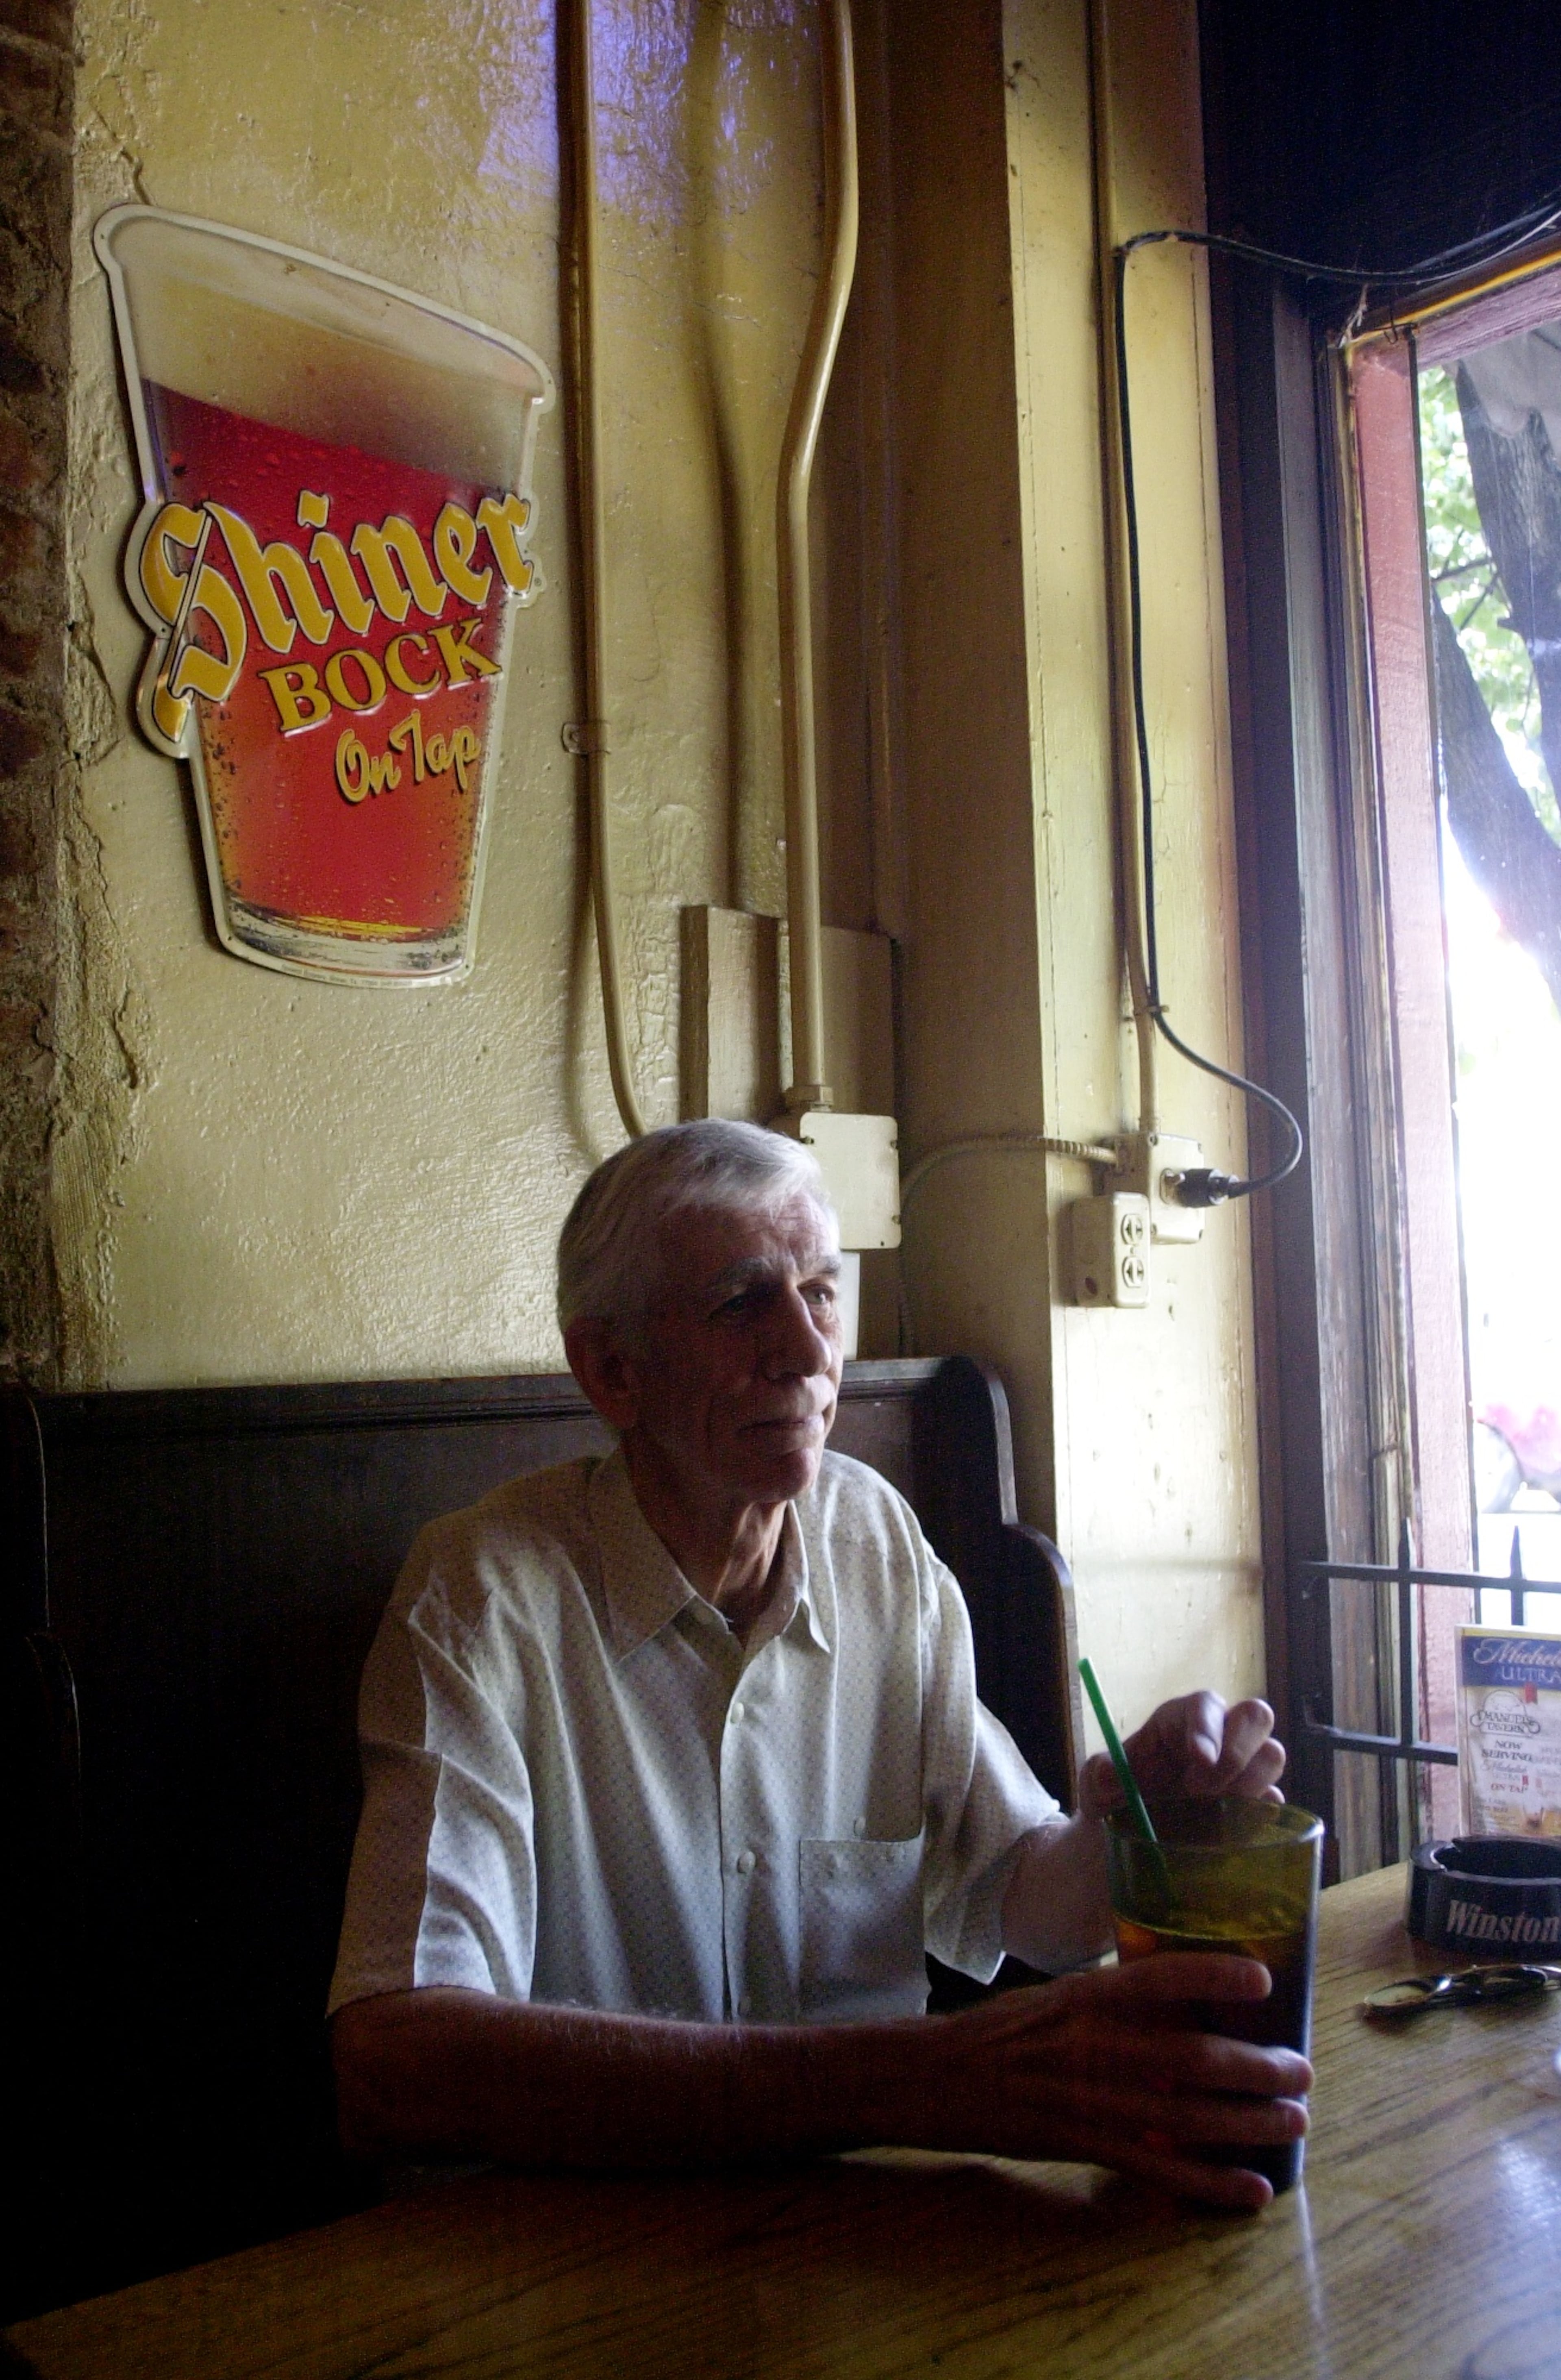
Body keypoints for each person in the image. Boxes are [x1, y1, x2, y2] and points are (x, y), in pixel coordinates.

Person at [329, 1120, 1306, 2210]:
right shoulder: (484, 1598)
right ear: (611, 1369)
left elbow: (1025, 1901)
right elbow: (395, 2067)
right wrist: (928, 2082)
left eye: (822, 1292)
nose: (806, 1350)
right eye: (742, 1303)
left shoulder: (873, 1540)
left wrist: (1130, 1836)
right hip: (590, 2246)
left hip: (864, 2236)